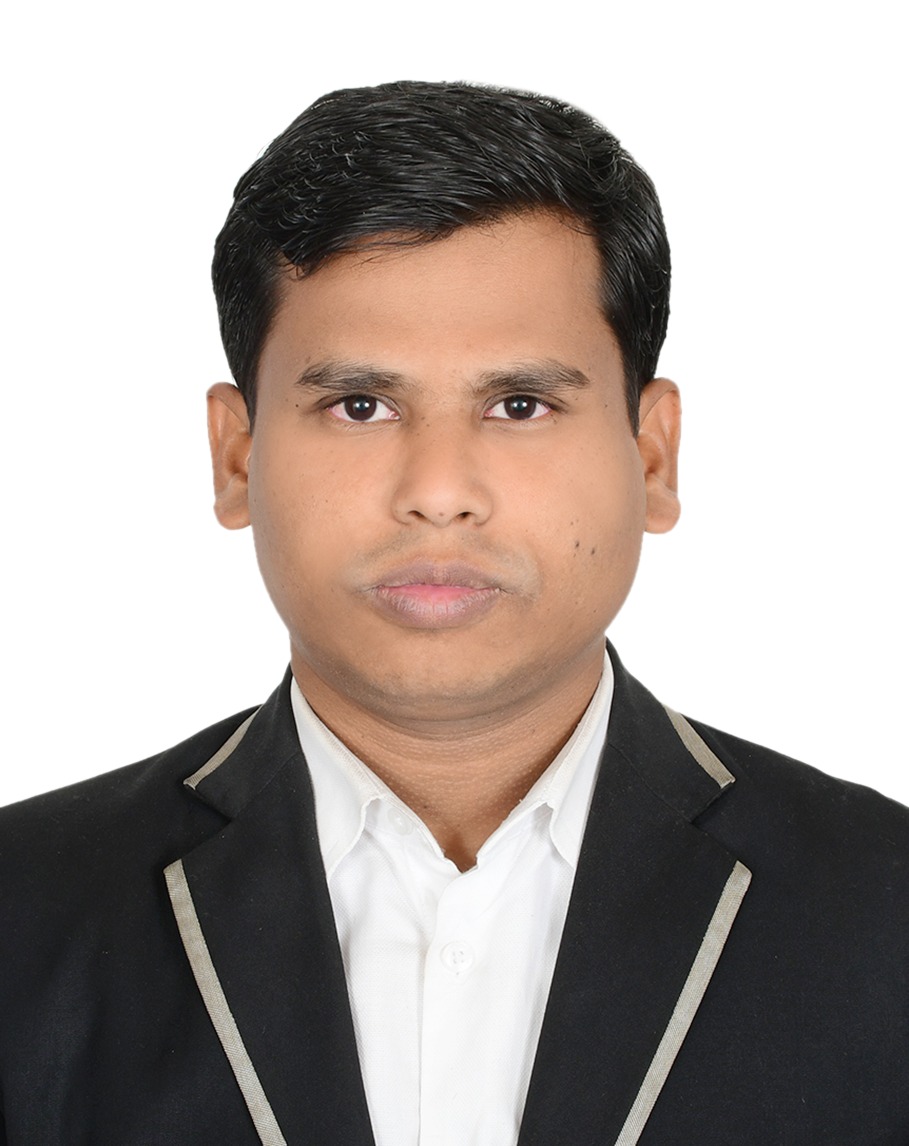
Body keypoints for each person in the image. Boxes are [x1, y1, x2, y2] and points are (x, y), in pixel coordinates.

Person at [0, 80, 906, 1146]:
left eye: (520, 405)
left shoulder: (882, 909)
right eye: (360, 406)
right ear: (236, 456)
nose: (438, 491)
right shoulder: (26, 910)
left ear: (652, 456)